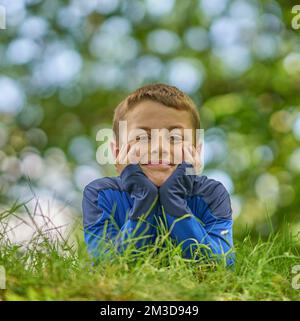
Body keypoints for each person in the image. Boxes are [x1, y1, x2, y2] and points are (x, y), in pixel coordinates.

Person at [82, 83, 235, 267]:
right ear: (117, 153)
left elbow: (220, 266)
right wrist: (145, 198)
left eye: (175, 138)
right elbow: (106, 266)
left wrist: (173, 199)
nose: (159, 148)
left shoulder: (212, 195)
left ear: (196, 153)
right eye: (142, 137)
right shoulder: (100, 195)